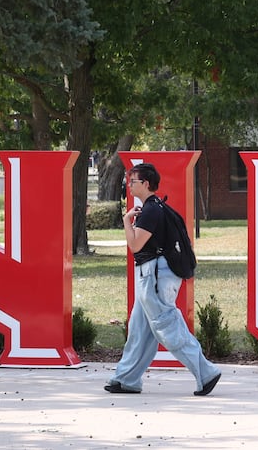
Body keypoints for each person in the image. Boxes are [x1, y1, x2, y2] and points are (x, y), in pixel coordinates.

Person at [104, 163, 221, 396]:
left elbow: (135, 245)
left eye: (133, 181)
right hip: (155, 274)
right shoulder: (155, 207)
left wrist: (127, 222)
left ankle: (205, 371)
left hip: (154, 275)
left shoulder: (150, 210)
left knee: (166, 324)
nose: (129, 184)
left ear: (146, 183)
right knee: (140, 328)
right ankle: (126, 378)